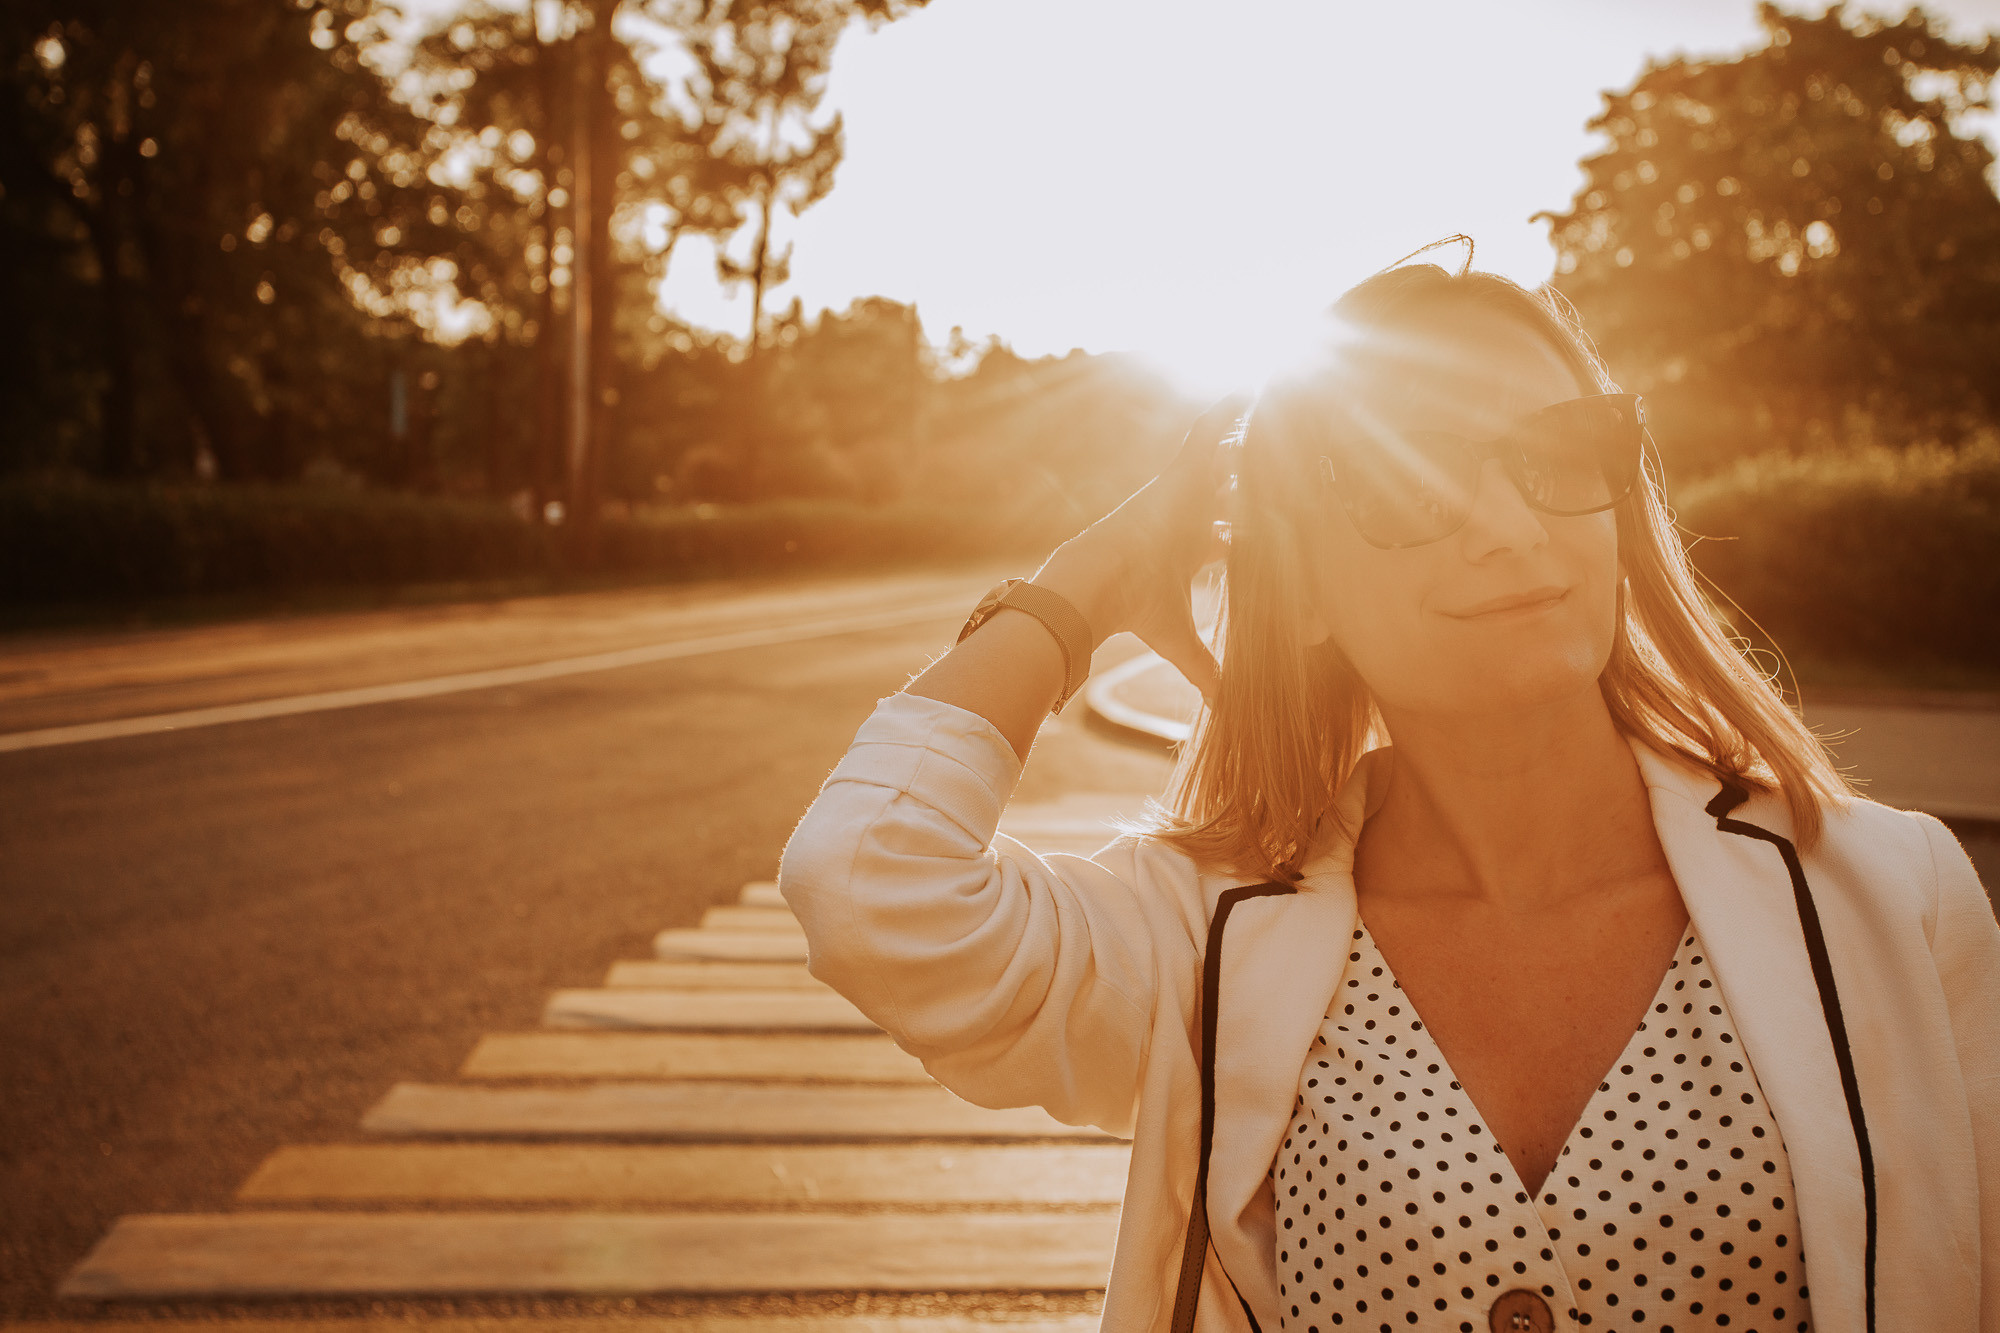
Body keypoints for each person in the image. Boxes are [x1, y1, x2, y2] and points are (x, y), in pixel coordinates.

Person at [777, 260, 2000, 1333]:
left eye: (1559, 452)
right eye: (1405, 481)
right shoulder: (1205, 932)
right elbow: (871, 880)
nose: (1508, 524)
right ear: (1300, 594)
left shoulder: (1895, 898)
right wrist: (1082, 584)